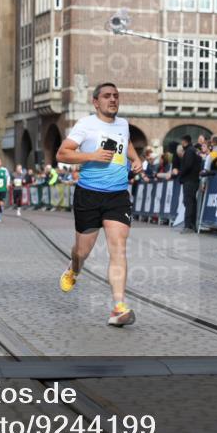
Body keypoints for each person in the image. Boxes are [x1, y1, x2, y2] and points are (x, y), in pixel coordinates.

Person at [56, 82, 142, 327]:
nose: (112, 100)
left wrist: (136, 160)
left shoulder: (123, 124)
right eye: (107, 96)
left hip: (117, 196)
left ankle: (118, 306)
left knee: (118, 248)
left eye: (116, 95)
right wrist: (91, 156)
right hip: (89, 195)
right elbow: (62, 154)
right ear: (96, 102)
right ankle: (73, 269)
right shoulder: (85, 125)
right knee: (82, 252)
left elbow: (126, 144)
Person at [172, 134, 202, 233]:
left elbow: (187, 165)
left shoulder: (189, 151)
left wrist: (180, 174)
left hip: (189, 180)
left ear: (185, 142)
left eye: (182, 142)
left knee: (188, 202)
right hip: (194, 180)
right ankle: (191, 225)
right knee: (192, 203)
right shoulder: (194, 151)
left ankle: (188, 226)